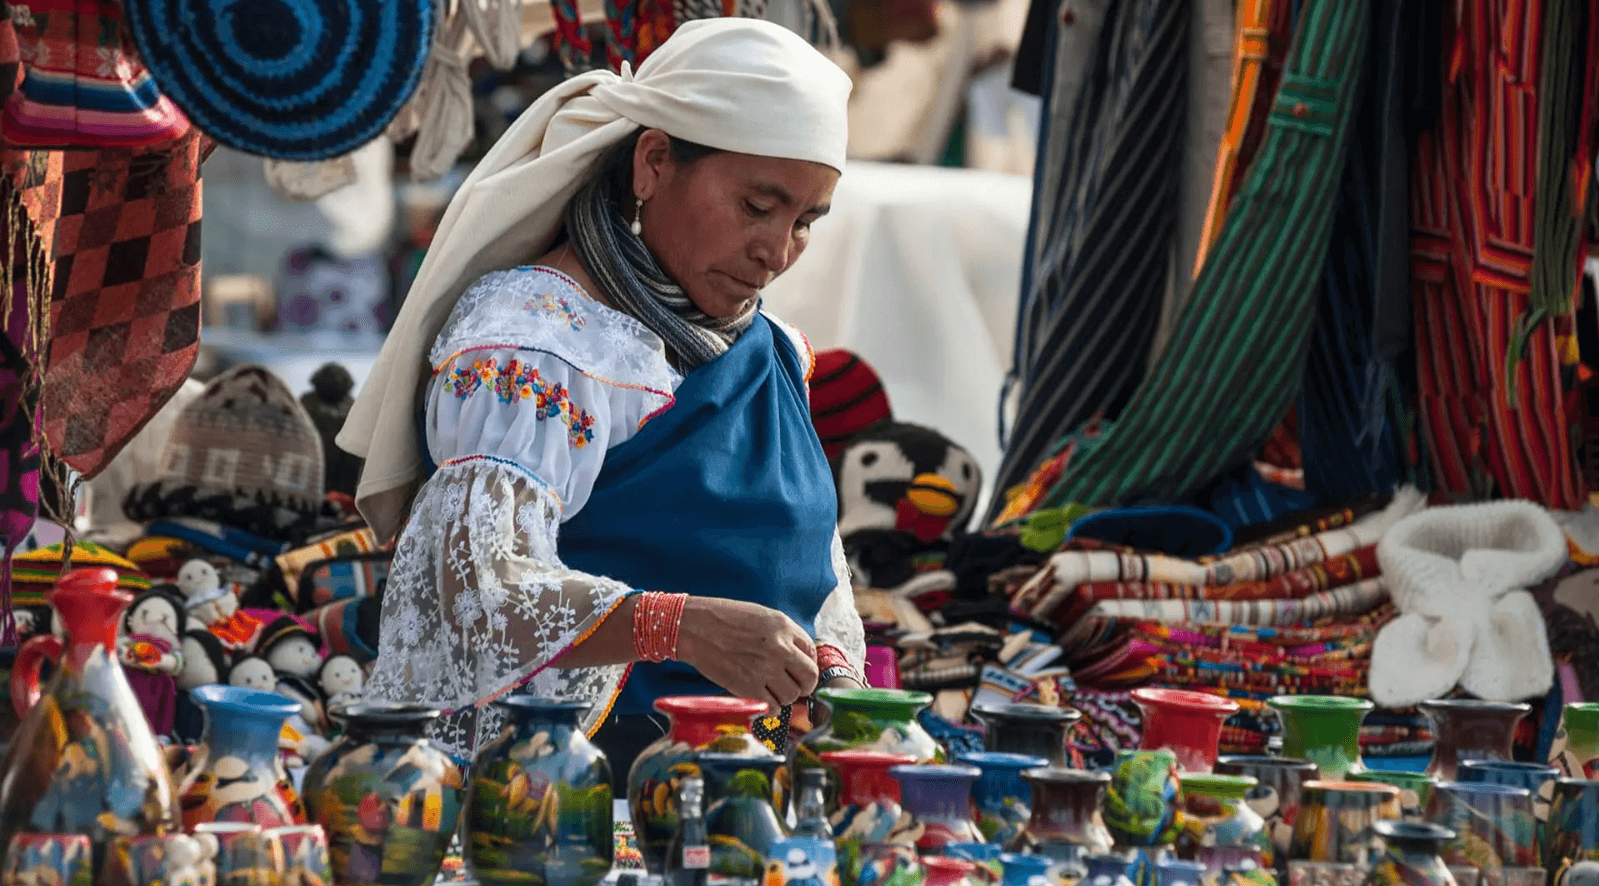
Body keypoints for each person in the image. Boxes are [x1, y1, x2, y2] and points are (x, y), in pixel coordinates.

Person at [337, 18, 867, 776]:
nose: (775, 252)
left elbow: (806, 572)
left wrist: (824, 667)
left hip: (746, 797)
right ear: (653, 162)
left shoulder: (776, 351)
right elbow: (478, 591)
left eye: (805, 222)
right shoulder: (533, 343)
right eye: (757, 206)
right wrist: (676, 626)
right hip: (569, 798)